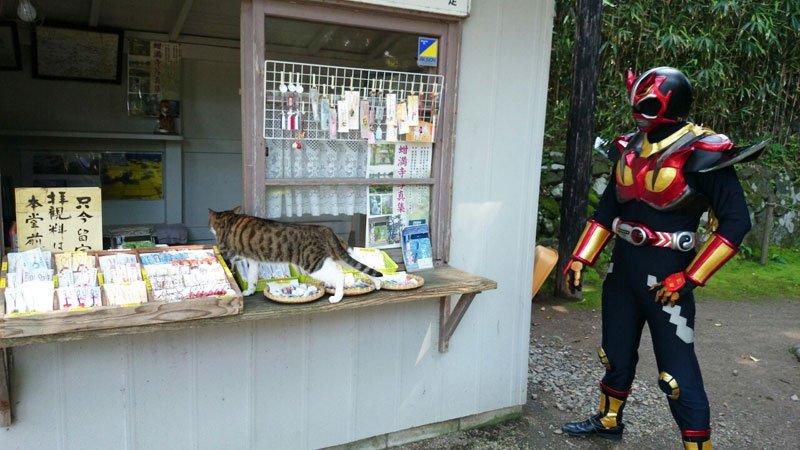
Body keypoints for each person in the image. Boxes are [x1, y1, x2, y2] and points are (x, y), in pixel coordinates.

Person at [560, 66, 765, 449]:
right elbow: (607, 211)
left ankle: (697, 445)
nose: (638, 112)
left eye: (648, 105)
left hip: (667, 281)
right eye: (635, 103)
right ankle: (609, 420)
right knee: (614, 355)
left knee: (676, 375)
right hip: (622, 273)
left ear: (673, 105)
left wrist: (689, 278)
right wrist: (581, 257)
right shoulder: (629, 147)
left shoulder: (702, 150)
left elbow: (736, 223)